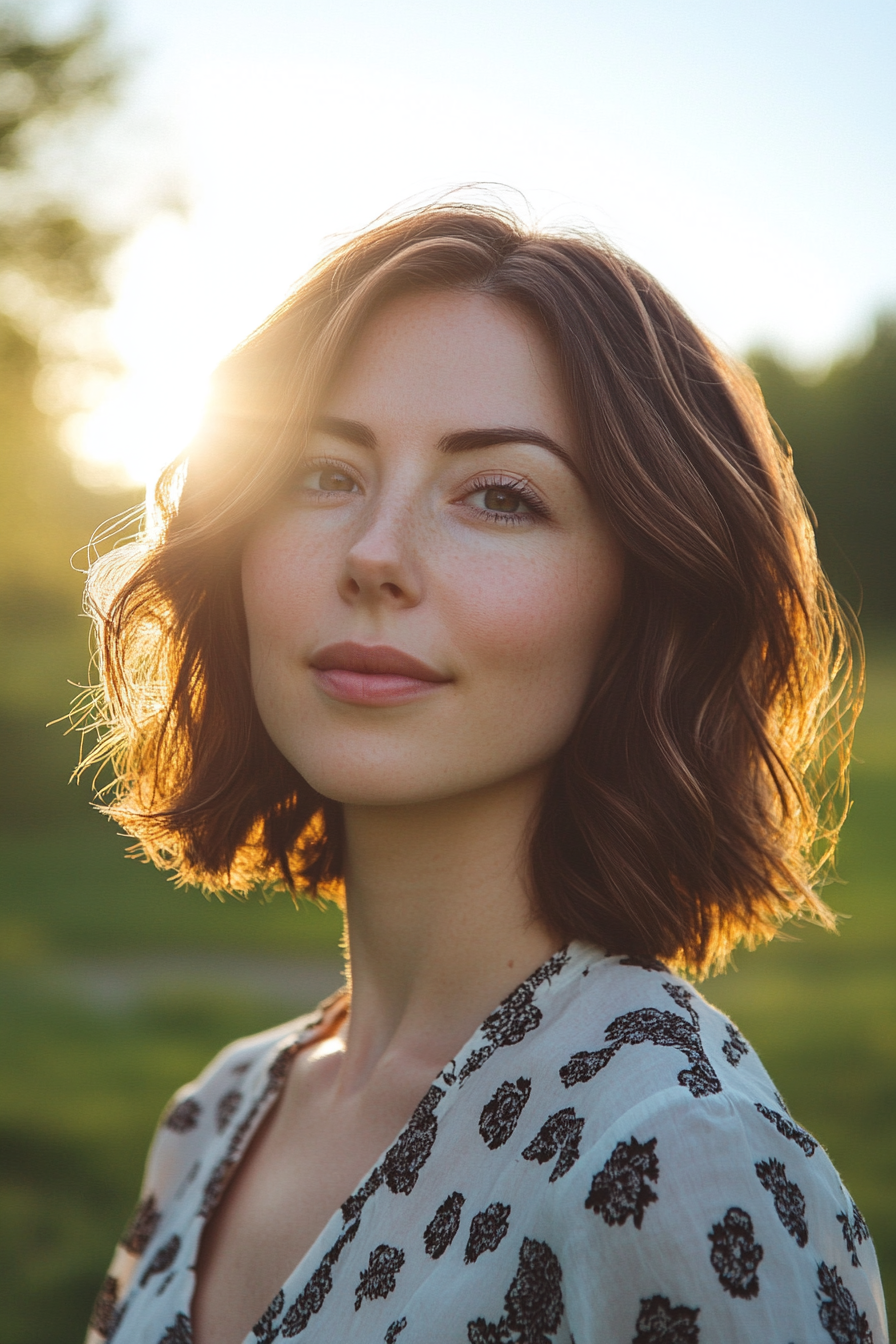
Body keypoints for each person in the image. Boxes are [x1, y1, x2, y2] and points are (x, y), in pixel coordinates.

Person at [83, 202, 887, 1344]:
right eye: (322, 473)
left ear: (640, 604)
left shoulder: (676, 1149)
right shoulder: (214, 1114)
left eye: (498, 495)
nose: (371, 553)